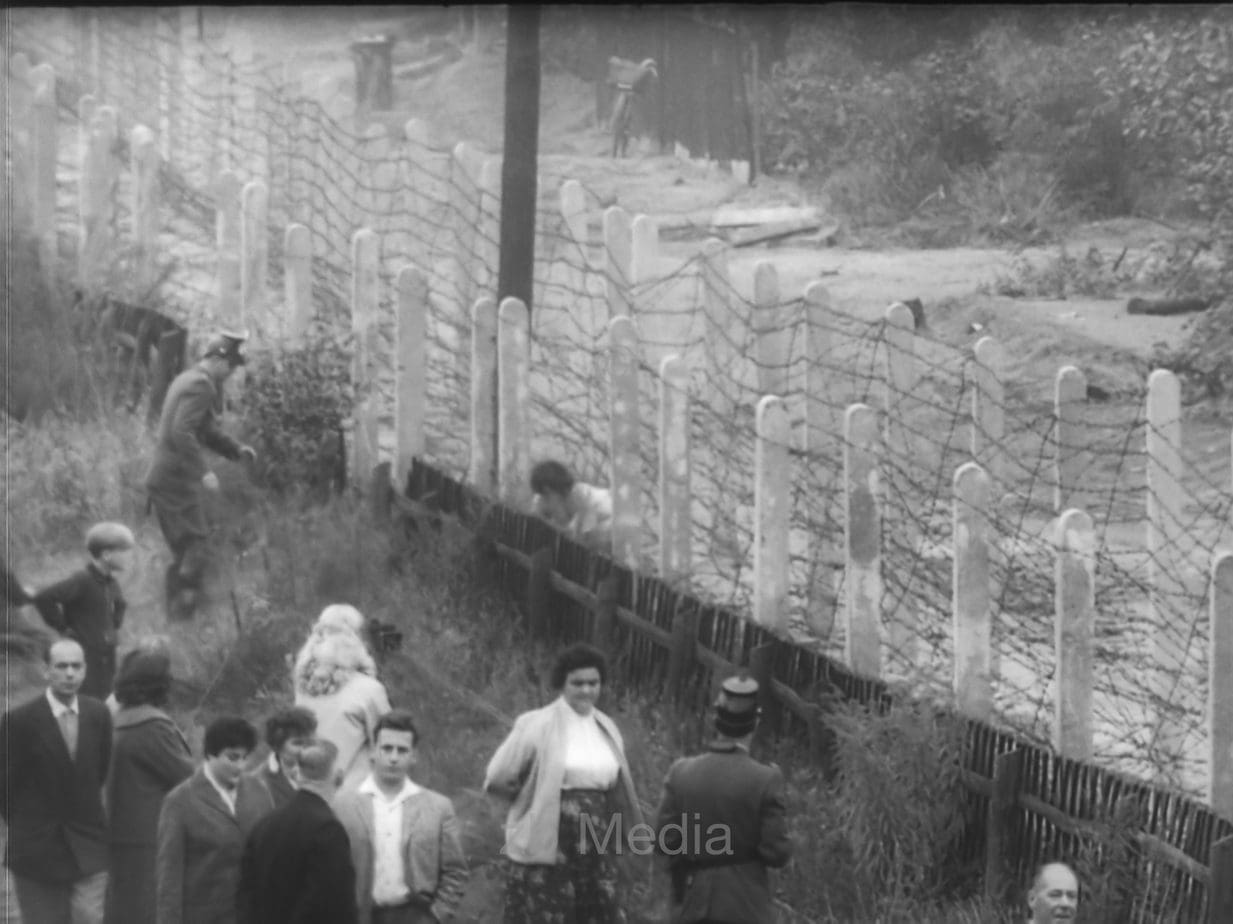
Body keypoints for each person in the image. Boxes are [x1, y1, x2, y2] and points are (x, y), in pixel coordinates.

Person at [483, 643, 643, 924]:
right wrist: (528, 805)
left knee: (596, 908)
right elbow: (499, 775)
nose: (586, 690)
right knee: (550, 910)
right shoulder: (536, 724)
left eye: (593, 683)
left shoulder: (607, 727)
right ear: (562, 683)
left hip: (597, 836)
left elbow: (615, 786)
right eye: (577, 683)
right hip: (552, 834)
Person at [654, 675, 793, 924]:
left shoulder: (681, 772)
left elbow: (665, 841)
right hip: (746, 907)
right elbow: (777, 853)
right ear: (756, 721)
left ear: (715, 720)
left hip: (690, 902)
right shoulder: (766, 779)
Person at [0, 638, 113, 924]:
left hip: (88, 844)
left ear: (86, 669)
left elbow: (98, 771)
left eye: (76, 666)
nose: (70, 674)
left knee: (90, 918)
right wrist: (31, 824)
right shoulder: (19, 721)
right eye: (61, 666)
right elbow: (5, 786)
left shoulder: (98, 714)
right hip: (37, 851)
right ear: (45, 670)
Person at [145, 330, 256, 620]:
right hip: (174, 480)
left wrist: (236, 449)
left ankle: (179, 617)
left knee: (189, 548)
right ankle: (184, 614)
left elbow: (203, 430)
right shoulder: (202, 385)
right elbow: (181, 431)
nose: (231, 373)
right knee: (196, 547)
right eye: (231, 366)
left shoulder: (188, 378)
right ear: (219, 359)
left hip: (168, 479)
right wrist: (203, 471)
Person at [333, 710, 469, 924]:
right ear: (373, 751)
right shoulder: (343, 805)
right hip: (359, 916)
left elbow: (455, 871)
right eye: (387, 749)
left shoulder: (437, 807)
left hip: (415, 915)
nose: (393, 758)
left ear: (413, 755)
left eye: (402, 750)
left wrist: (436, 917)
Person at [104, 645, 194, 924]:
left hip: (119, 834)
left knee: (122, 908)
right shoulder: (153, 726)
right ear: (160, 684)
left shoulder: (116, 719)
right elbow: (191, 781)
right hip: (151, 838)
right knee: (149, 910)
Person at [156, 716, 274, 924]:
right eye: (233, 757)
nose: (241, 766)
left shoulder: (259, 791)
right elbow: (169, 878)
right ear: (210, 755)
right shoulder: (180, 801)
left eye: (245, 757)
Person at [237, 738, 359, 924]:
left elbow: (245, 895)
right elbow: (336, 905)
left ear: (297, 774)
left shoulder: (264, 825)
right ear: (338, 775)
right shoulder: (328, 830)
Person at [31, 521, 135, 700]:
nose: (129, 557)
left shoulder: (110, 582)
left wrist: (114, 624)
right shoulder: (82, 580)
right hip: (86, 656)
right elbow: (44, 598)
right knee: (87, 700)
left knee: (106, 699)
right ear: (107, 554)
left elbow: (119, 604)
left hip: (106, 655)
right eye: (124, 552)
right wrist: (63, 628)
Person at [293, 611, 392, 791]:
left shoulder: (302, 692)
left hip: (310, 792)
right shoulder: (370, 689)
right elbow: (389, 745)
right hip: (357, 796)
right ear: (355, 640)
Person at [529, 460, 614, 549]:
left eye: (549, 515)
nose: (553, 520)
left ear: (549, 492)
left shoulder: (602, 507)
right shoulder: (581, 510)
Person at [250, 705, 319, 809]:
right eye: (298, 743)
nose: (307, 749)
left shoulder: (325, 770)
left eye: (311, 742)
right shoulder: (258, 783)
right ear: (277, 746)